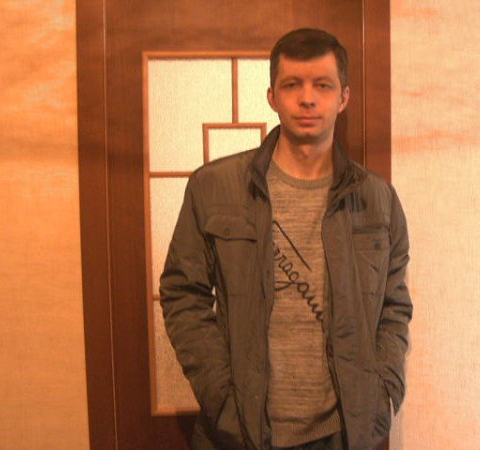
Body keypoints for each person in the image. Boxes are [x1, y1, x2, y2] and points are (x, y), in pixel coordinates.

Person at [160, 28, 412, 450]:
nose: (307, 98)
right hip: (241, 431)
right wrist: (221, 397)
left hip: (342, 433)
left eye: (322, 85)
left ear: (343, 97)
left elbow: (394, 305)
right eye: (292, 85)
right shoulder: (214, 187)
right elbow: (182, 294)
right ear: (272, 97)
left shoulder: (377, 201)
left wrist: (382, 395)